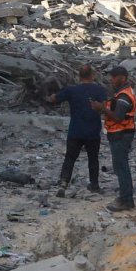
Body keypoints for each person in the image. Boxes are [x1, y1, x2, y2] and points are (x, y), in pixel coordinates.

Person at [49, 64, 108, 195]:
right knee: (93, 159)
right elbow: (105, 107)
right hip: (93, 131)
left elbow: (55, 99)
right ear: (93, 76)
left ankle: (63, 184)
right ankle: (94, 185)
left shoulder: (72, 90)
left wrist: (51, 95)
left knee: (70, 158)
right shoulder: (99, 90)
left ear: (78, 76)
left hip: (75, 130)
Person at [91, 65, 136, 211]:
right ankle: (125, 197)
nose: (111, 80)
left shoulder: (124, 96)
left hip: (121, 135)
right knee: (121, 167)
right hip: (120, 134)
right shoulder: (121, 94)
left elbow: (118, 117)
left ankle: (126, 200)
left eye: (114, 77)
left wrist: (102, 108)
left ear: (122, 78)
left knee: (121, 168)